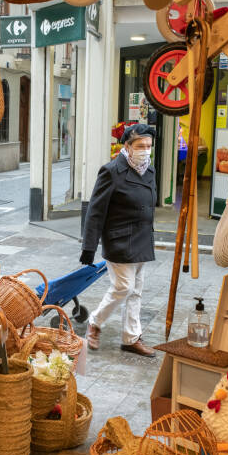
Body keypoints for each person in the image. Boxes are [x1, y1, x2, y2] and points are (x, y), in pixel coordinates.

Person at [80, 124, 158, 358]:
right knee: (124, 287)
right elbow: (95, 211)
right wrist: (89, 247)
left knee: (136, 291)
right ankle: (95, 322)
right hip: (120, 241)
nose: (145, 150)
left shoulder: (150, 171)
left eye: (148, 145)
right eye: (140, 146)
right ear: (128, 146)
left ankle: (131, 338)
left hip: (142, 239)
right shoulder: (112, 171)